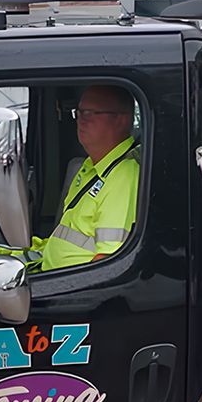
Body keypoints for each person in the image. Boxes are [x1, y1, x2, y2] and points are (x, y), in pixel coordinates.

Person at [30, 85, 140, 273]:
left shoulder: (123, 177)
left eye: (90, 113)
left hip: (72, 291)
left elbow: (107, 263)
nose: (80, 120)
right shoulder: (90, 167)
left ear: (121, 120)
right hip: (51, 275)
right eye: (79, 112)